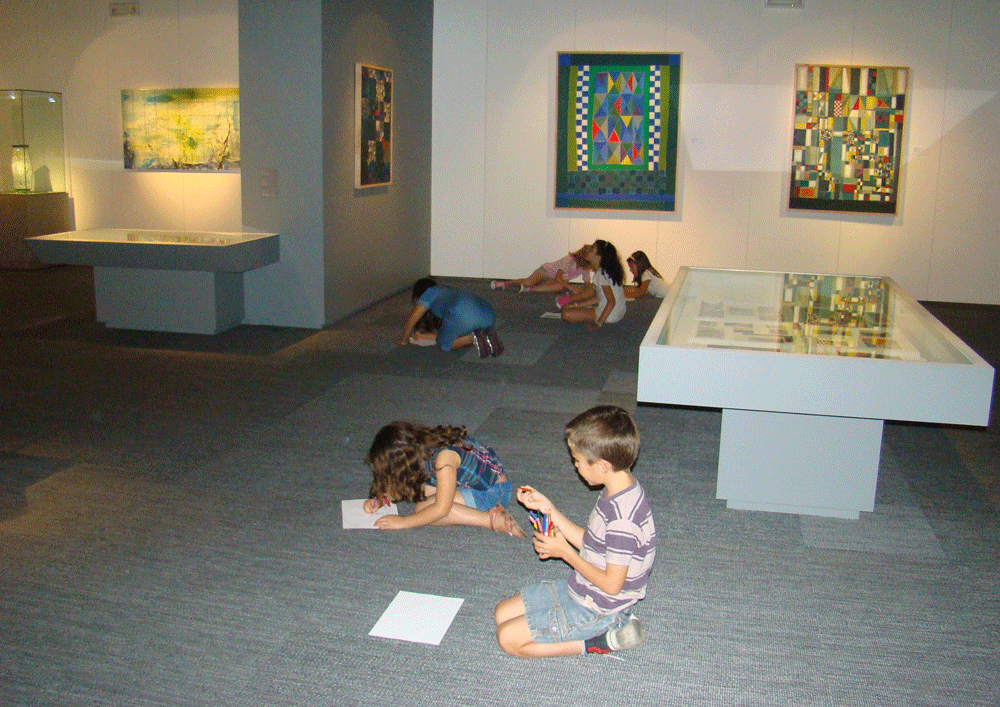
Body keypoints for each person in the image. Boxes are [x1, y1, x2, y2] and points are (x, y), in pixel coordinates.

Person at [494, 405, 656, 657]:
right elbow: (594, 544)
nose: (575, 467)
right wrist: (549, 509)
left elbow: (612, 585)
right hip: (583, 587)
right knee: (501, 613)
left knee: (508, 640)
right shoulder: (616, 489)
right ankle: (607, 622)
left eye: (577, 461)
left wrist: (565, 553)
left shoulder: (623, 519)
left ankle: (599, 640)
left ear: (602, 465)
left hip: (599, 606)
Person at [364, 421, 525, 537]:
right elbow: (405, 485)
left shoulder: (443, 460)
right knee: (422, 495)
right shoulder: (423, 445)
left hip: (495, 493)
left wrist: (403, 522)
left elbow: (442, 509)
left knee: (424, 510)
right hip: (479, 481)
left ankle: (493, 520)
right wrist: (379, 499)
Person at [398, 277, 504, 357]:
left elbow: (412, 320)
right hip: (489, 314)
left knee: (444, 345)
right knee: (451, 332)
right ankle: (483, 333)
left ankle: (472, 338)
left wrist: (403, 339)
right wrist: (425, 336)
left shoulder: (428, 294)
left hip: (464, 317)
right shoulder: (446, 289)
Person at [559, 239, 626, 330]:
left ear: (599, 256)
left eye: (591, 249)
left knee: (565, 314)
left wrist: (598, 324)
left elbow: (611, 301)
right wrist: (575, 305)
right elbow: (600, 297)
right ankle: (577, 308)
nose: (588, 250)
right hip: (618, 313)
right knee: (569, 309)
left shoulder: (600, 274)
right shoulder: (606, 271)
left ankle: (592, 318)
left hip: (610, 315)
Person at [490, 245, 593, 293]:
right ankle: (504, 284)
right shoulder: (570, 259)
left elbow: (587, 282)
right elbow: (558, 277)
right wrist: (571, 288)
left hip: (553, 279)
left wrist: (587, 290)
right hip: (545, 272)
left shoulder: (585, 267)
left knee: (559, 287)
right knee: (527, 282)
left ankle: (530, 290)